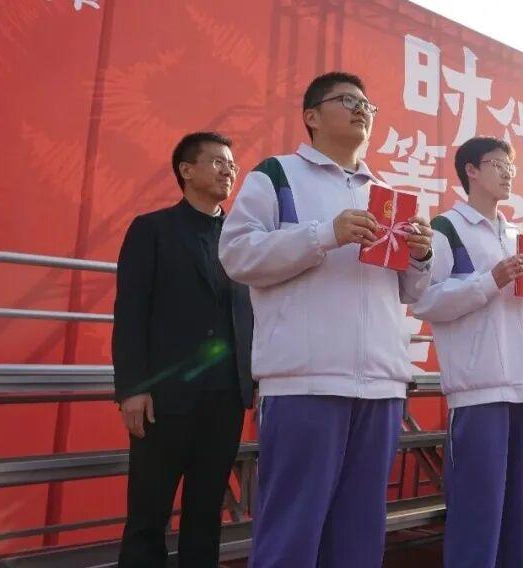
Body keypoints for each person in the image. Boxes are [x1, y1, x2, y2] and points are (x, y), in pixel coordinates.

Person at [219, 72, 434, 567]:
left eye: (367, 105)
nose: (361, 110)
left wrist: (421, 257)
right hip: (305, 380)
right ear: (311, 116)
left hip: (380, 384)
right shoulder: (277, 175)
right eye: (347, 101)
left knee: (360, 531)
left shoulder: (388, 194)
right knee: (291, 530)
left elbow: (410, 292)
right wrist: (324, 235)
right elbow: (237, 255)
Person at [412, 136, 523, 567]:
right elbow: (425, 301)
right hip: (479, 389)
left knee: (520, 510)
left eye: (511, 166)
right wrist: (489, 280)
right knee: (478, 510)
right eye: (498, 164)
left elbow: (518, 308)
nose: (508, 173)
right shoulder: (447, 228)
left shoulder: (514, 235)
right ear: (471, 171)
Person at [113, 131, 255, 567]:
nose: (228, 171)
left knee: (206, 513)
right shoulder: (152, 230)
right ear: (186, 170)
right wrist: (133, 388)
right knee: (148, 513)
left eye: (232, 164)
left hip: (225, 396)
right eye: (217, 162)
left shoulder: (242, 239)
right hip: (164, 398)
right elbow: (131, 311)